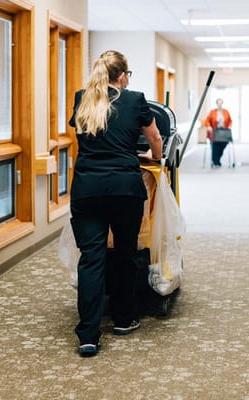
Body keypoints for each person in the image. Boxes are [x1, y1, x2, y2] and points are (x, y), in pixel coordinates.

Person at [68, 50, 163, 357]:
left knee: (91, 258)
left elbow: (85, 137)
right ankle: (124, 319)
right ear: (123, 76)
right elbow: (156, 138)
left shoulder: (82, 98)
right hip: (124, 188)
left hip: (87, 189)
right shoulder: (135, 100)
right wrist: (155, 158)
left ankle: (88, 335)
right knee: (124, 253)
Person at [203, 98, 233, 168]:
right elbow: (206, 121)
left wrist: (229, 126)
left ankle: (217, 160)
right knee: (215, 146)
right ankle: (215, 162)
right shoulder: (212, 112)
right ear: (216, 104)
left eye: (221, 103)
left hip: (224, 132)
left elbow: (230, 120)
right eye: (218, 103)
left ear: (222, 103)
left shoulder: (226, 111)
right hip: (214, 131)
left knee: (223, 145)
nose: (219, 104)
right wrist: (208, 126)